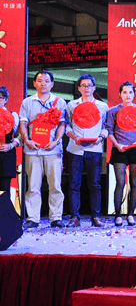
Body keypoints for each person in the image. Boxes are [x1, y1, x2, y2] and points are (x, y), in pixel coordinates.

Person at [19, 70, 67, 229]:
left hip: (53, 150)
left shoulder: (59, 102)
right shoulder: (27, 102)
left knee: (55, 185)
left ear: (52, 84)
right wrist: (27, 140)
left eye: (46, 81)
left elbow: (62, 124)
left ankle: (56, 217)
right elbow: (23, 123)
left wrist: (56, 141)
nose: (43, 84)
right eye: (39, 81)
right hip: (32, 149)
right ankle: (33, 218)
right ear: (34, 83)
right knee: (33, 186)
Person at [65, 75, 108, 227]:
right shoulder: (71, 105)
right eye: (83, 85)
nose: (86, 88)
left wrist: (101, 138)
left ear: (94, 88)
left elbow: (106, 127)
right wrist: (73, 137)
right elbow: (67, 125)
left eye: (89, 85)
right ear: (79, 88)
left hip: (95, 149)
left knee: (95, 184)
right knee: (73, 184)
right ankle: (75, 217)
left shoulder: (102, 106)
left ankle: (95, 216)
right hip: (75, 149)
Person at [106, 81, 136, 227]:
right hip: (119, 149)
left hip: (135, 149)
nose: (127, 95)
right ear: (120, 94)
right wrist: (117, 145)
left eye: (130, 92)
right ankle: (118, 215)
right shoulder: (113, 111)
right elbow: (109, 130)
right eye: (124, 92)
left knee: (134, 183)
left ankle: (130, 215)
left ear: (134, 94)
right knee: (120, 182)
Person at [0, 86, 20, 195]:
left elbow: (19, 135)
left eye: (0, 97)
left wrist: (11, 145)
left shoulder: (13, 115)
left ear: (6, 99)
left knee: (4, 192)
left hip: (5, 157)